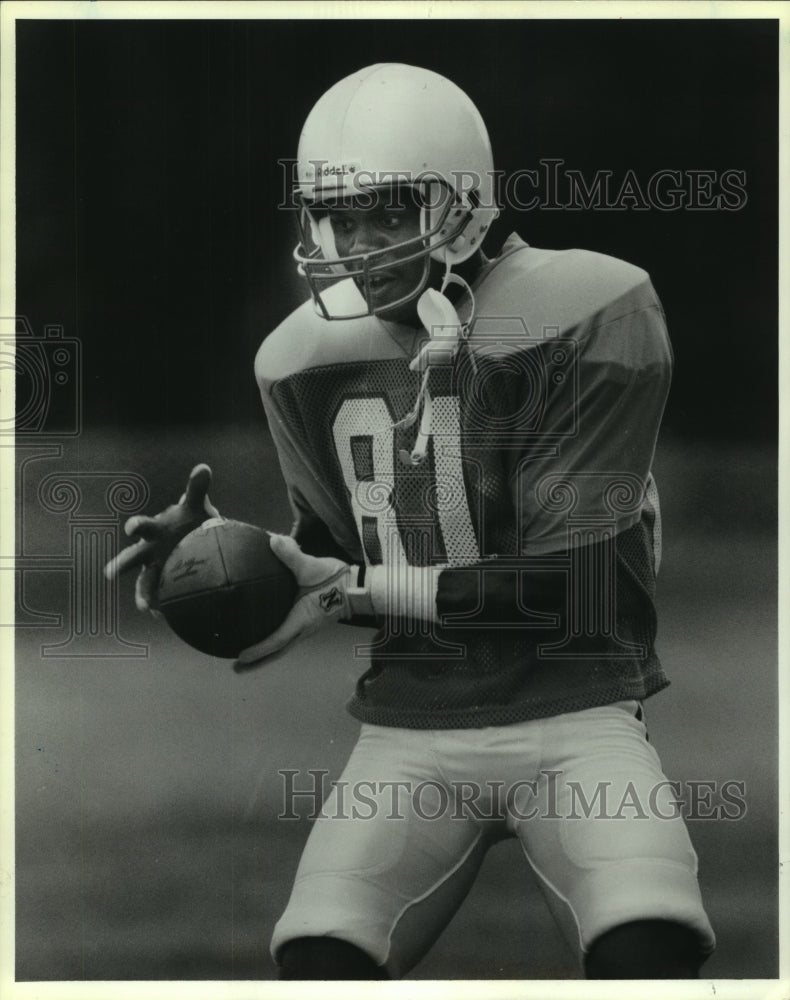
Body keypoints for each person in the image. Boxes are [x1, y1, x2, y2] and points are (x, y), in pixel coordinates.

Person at [106, 63, 715, 980]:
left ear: (463, 201)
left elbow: (571, 588)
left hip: (577, 712)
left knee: (648, 943)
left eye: (387, 212)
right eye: (338, 216)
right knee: (320, 954)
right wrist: (225, 558)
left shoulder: (590, 308)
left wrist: (355, 588)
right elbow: (330, 559)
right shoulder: (303, 354)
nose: (358, 244)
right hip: (412, 728)